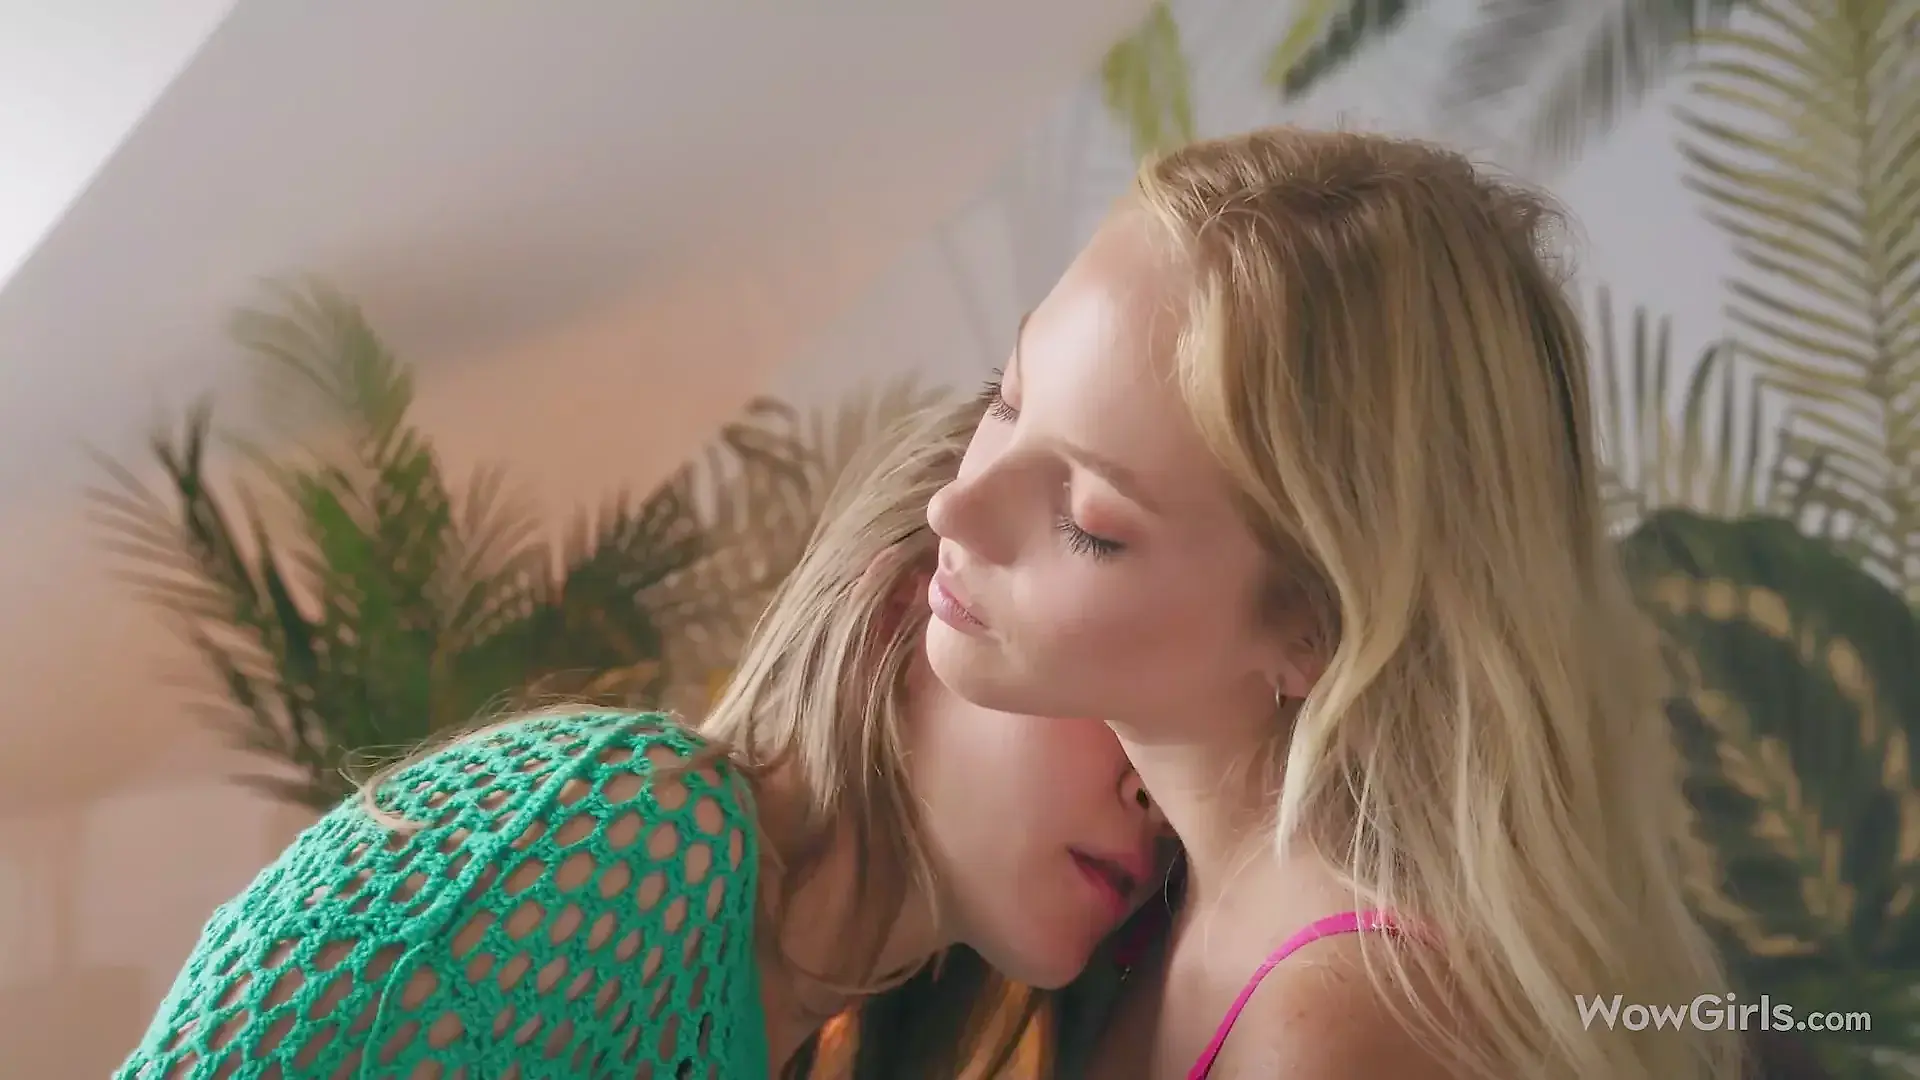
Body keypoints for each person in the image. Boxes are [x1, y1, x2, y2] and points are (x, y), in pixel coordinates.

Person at [923, 126, 1747, 1080]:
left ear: (1314, 628)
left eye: (1090, 522)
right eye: (1008, 398)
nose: (955, 507)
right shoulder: (1153, 888)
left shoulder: (1335, 1035)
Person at [113, 395, 1168, 1080]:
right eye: (1129, 693)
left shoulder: (790, 1008)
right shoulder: (639, 824)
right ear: (912, 609)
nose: (1159, 793)